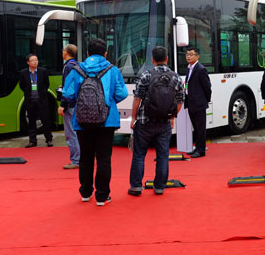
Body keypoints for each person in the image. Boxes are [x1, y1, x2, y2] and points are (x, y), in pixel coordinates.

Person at [62, 38, 128, 206]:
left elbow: (68, 94)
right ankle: (102, 195)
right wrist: (107, 101)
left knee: (86, 156)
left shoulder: (77, 70)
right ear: (105, 53)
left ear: (88, 53)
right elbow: (122, 93)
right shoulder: (112, 70)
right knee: (104, 157)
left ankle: (85, 192)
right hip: (107, 120)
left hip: (82, 120)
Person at [128, 46, 184, 196]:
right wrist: (171, 117)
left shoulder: (146, 75)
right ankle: (159, 187)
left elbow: (137, 99)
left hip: (145, 122)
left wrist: (133, 118)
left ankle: (136, 187)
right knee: (163, 155)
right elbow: (180, 101)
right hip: (164, 123)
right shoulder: (176, 77)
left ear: (152, 60)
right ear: (167, 59)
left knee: (139, 154)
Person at [19, 54, 53, 148]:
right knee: (31, 121)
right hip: (30, 100)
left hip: (41, 100)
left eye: (36, 60)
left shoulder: (43, 71)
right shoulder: (23, 73)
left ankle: (49, 139)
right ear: (28, 62)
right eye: (32, 60)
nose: (35, 62)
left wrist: (42, 93)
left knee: (45, 120)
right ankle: (32, 141)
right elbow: (22, 85)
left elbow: (47, 84)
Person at [184, 47, 212, 158]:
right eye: (187, 54)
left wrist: (205, 100)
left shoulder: (201, 69)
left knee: (200, 128)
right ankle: (197, 147)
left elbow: (207, 87)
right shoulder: (189, 69)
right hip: (191, 102)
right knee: (195, 127)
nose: (188, 56)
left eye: (191, 54)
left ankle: (201, 150)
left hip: (199, 103)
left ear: (197, 56)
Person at [58, 44, 79, 169]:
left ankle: (76, 159)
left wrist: (62, 105)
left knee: (70, 132)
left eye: (63, 49)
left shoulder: (68, 67)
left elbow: (67, 88)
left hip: (70, 103)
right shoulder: (77, 65)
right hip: (76, 102)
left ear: (66, 52)